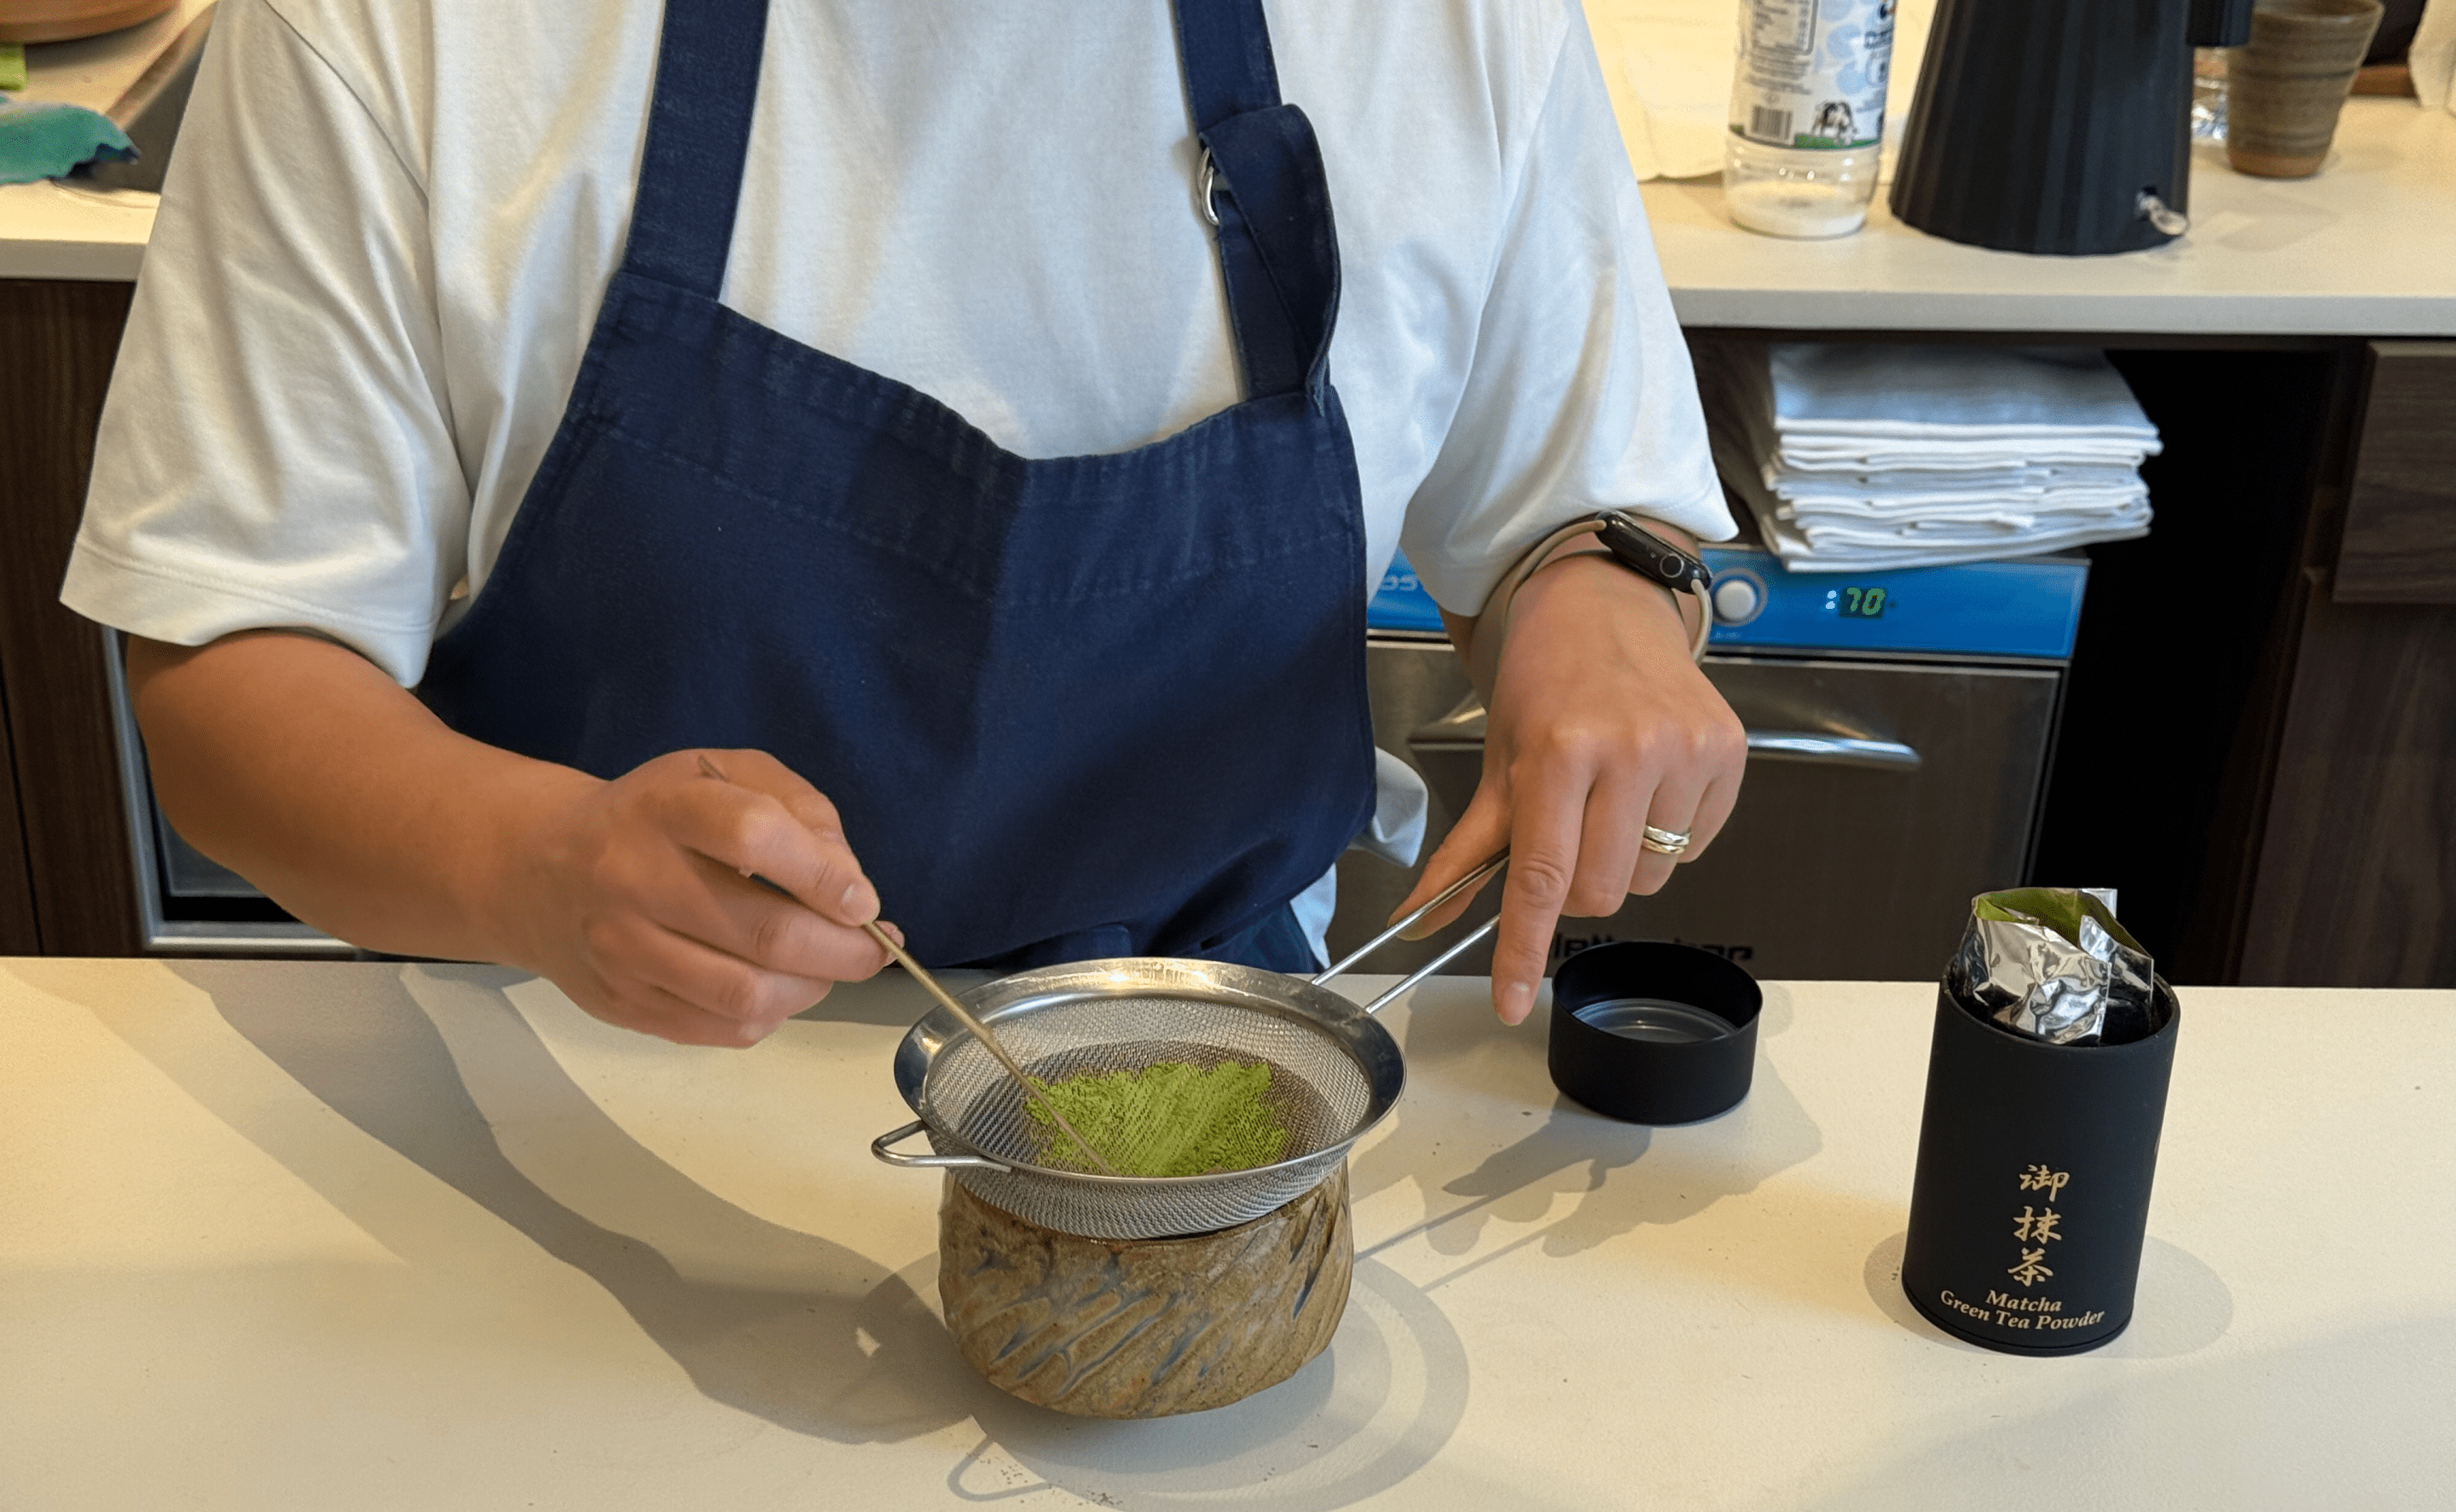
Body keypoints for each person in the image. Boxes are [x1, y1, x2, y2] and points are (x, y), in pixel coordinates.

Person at [66, 0, 1746, 1047]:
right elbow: (233, 662)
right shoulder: (403, 32)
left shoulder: (1454, 26)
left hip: (1219, 1065)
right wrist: (542, 868)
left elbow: (1578, 512)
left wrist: (1600, 620)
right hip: (590, 1084)